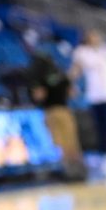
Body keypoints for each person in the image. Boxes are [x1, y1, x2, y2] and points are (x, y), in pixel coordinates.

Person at [71, 29, 106, 177]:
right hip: (95, 97)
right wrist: (69, 84)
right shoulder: (82, 52)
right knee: (100, 129)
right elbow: (75, 71)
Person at [26, 44, 83, 179]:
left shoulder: (38, 77)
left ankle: (69, 172)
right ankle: (79, 171)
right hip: (64, 110)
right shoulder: (61, 74)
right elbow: (73, 93)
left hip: (50, 112)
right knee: (72, 143)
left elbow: (38, 96)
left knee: (60, 144)